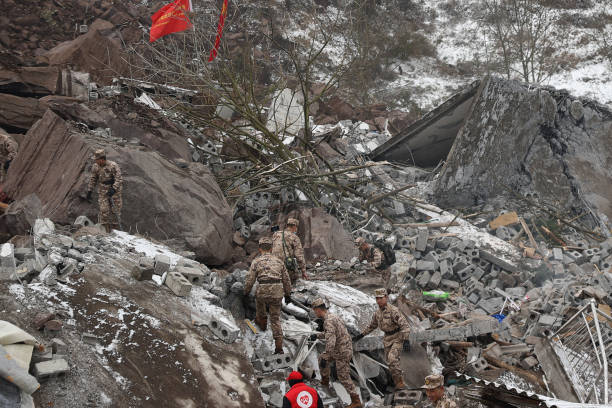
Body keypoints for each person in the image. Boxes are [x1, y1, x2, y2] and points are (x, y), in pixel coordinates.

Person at [352, 288, 410, 389]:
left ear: (386, 298)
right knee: (390, 363)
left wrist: (406, 340)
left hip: (397, 337)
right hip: (387, 338)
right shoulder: (377, 313)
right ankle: (397, 383)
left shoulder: (394, 311)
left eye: (381, 298)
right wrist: (361, 335)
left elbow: (405, 326)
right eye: (377, 298)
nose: (378, 300)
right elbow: (372, 326)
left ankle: (400, 383)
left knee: (392, 359)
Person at [311, 298, 362, 408]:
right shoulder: (332, 317)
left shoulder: (328, 321)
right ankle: (325, 382)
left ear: (319, 310)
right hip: (342, 348)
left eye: (315, 311)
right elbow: (330, 333)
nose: (315, 313)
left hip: (342, 351)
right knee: (321, 358)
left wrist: (327, 355)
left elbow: (331, 340)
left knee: (343, 375)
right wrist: (317, 335)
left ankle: (356, 401)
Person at [244, 237, 292, 354]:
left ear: (260, 248)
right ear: (271, 248)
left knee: (260, 304)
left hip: (262, 291)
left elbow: (250, 279)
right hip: (277, 292)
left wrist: (246, 292)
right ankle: (279, 348)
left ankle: (262, 323)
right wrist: (288, 294)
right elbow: (286, 280)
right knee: (275, 319)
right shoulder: (279, 261)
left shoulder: (256, 261)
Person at [86, 149, 123, 233]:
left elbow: (119, 179)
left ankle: (116, 233)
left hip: (115, 192)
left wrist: (114, 188)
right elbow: (93, 179)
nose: (95, 161)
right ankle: (103, 232)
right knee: (104, 211)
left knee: (115, 212)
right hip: (103, 191)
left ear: (102, 159)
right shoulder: (95, 166)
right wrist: (89, 191)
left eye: (96, 159)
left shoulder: (113, 165)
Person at [272, 217, 307, 283]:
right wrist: (303, 271)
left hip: (273, 265)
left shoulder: (276, 234)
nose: (296, 229)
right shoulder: (294, 237)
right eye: (296, 227)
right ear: (294, 226)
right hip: (286, 266)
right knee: (294, 278)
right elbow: (299, 256)